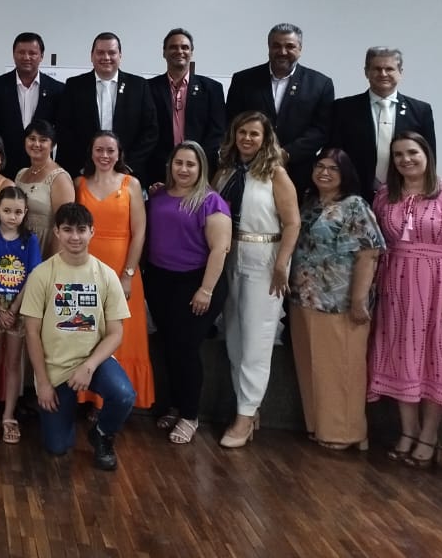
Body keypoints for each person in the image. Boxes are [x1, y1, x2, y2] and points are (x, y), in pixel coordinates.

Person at [22, 202, 134, 471]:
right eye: (68, 230)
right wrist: (43, 383)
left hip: (91, 362)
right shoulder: (42, 274)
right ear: (57, 232)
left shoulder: (106, 275)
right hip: (56, 370)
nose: (75, 236)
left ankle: (103, 434)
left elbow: (116, 333)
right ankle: (64, 417)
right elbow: (32, 333)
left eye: (81, 230)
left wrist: (89, 365)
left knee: (124, 395)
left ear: (92, 232)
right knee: (57, 448)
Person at [213, 110, 300, 448]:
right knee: (233, 336)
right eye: (242, 133)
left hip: (264, 259)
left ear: (265, 139)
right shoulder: (224, 172)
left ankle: (243, 417)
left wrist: (282, 263)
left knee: (256, 341)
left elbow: (292, 222)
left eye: (254, 133)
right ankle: (247, 406)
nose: (247, 139)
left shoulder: (275, 174)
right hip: (228, 255)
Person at [368, 132, 442, 469]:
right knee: (403, 353)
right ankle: (408, 430)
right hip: (395, 285)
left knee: (434, 355)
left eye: (412, 153)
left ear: (427, 154)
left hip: (440, 287)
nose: (406, 160)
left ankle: (429, 435)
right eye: (399, 155)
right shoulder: (385, 196)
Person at [289, 148, 383, 451]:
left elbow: (369, 254)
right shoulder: (310, 203)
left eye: (333, 168)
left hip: (340, 303)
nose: (324, 172)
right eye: (320, 166)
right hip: (304, 299)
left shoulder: (355, 205)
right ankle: (320, 426)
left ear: (346, 174)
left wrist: (359, 301)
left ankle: (347, 433)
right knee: (312, 368)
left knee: (342, 369)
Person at [143, 141, 231, 445]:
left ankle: (191, 415)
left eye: (190, 164)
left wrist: (205, 290)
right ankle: (175, 406)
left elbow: (220, 249)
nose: (183, 169)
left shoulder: (211, 201)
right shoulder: (157, 196)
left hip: (197, 284)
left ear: (201, 168)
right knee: (168, 347)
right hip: (161, 282)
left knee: (185, 350)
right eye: (178, 163)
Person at [74, 131, 154, 410]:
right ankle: (88, 397)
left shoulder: (131, 184)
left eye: (110, 150)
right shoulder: (79, 183)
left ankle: (118, 400)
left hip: (122, 270)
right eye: (99, 150)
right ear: (91, 153)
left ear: (119, 154)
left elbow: (140, 232)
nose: (105, 156)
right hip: (85, 269)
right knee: (87, 329)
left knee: (121, 334)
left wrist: (128, 274)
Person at [226, 23, 334, 193]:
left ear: (300, 49)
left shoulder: (320, 84)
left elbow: (321, 130)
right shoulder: (243, 80)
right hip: (249, 167)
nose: (282, 51)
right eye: (276, 45)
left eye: (290, 46)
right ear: (268, 47)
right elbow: (233, 121)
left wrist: (286, 153)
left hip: (298, 172)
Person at [331, 46, 437, 202]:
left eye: (389, 69)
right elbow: (334, 153)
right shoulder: (343, 108)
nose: (383, 74)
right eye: (377, 69)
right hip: (353, 196)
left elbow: (429, 156)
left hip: (405, 195)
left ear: (400, 72)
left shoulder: (421, 110)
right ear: (366, 72)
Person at [0, 185, 41, 445]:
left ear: (25, 212)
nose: (12, 216)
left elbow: (32, 277)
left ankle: (9, 415)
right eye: (7, 210)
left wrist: (14, 309)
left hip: (19, 308)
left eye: (18, 211)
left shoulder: (30, 240)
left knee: (13, 362)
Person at [57, 32, 158, 183]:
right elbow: (64, 129)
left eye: (112, 52)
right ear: (92, 56)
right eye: (100, 52)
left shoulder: (139, 86)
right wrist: (86, 165)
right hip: (84, 174)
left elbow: (150, 131)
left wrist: (128, 166)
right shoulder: (75, 86)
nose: (106, 57)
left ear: (120, 56)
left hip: (128, 174)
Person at [147, 28, 226, 178]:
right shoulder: (148, 88)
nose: (179, 51)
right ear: (164, 52)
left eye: (185, 47)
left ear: (192, 52)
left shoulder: (212, 88)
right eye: (173, 47)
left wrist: (197, 161)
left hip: (200, 169)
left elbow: (217, 132)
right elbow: (146, 130)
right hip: (159, 170)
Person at [0, 32, 65, 177]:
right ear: (14, 54)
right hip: (4, 165)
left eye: (32, 53)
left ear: (41, 56)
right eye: (21, 52)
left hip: (41, 166)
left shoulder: (57, 89)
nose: (26, 57)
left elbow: (61, 129)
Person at [13, 118, 75, 258]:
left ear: (52, 145)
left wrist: (52, 264)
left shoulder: (60, 179)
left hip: (45, 249)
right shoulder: (20, 174)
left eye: (43, 140)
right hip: (18, 251)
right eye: (32, 138)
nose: (36, 144)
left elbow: (64, 225)